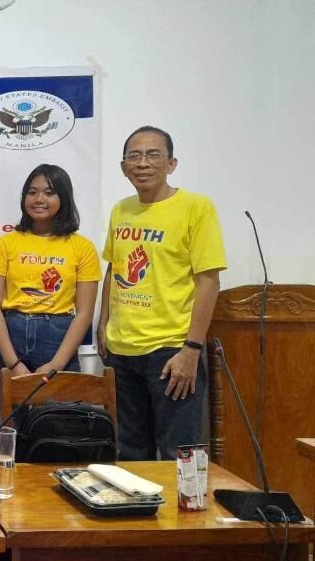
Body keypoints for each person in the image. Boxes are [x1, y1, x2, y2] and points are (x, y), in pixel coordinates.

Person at [97, 126, 226, 460]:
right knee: (129, 456)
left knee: (179, 456)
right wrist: (103, 326)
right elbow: (114, 269)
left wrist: (192, 350)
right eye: (134, 156)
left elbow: (209, 281)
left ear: (171, 163)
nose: (143, 163)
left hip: (171, 353)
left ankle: (186, 515)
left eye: (153, 154)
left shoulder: (196, 208)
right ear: (124, 166)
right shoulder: (121, 209)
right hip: (123, 352)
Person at [0, 164, 101, 424]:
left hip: (58, 342)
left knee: (61, 431)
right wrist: (14, 365)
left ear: (63, 197)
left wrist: (55, 364)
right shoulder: (7, 243)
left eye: (48, 192)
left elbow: (84, 313)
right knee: (7, 430)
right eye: (32, 192)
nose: (39, 199)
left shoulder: (82, 247)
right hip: (10, 339)